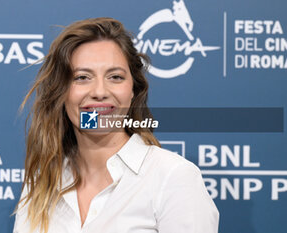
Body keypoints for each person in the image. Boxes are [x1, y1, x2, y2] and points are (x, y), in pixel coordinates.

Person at [13, 17, 219, 233]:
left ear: (133, 90)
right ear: (61, 92)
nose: (100, 92)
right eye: (82, 77)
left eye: (115, 77)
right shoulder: (42, 182)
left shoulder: (172, 177)